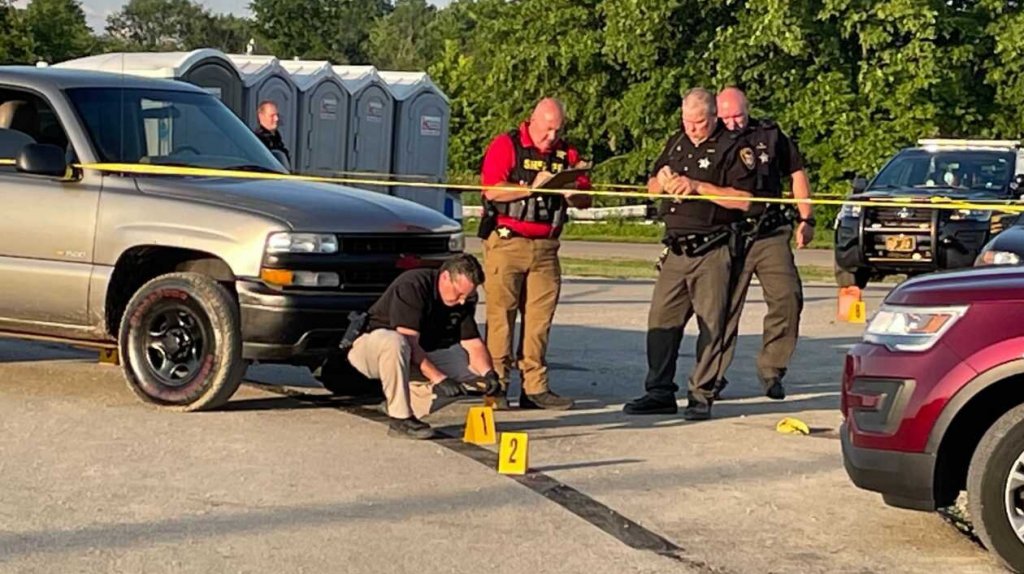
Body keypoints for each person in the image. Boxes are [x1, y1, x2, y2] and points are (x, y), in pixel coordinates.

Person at [622, 88, 756, 421]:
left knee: (711, 325)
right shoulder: (677, 141)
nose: (692, 128)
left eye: (699, 122)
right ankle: (658, 391)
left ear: (714, 117)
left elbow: (744, 200)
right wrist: (662, 182)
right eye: (687, 121)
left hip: (712, 248)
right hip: (676, 248)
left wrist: (698, 187)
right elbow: (650, 186)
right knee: (661, 321)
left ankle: (701, 393)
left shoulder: (734, 147)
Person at [478, 97, 592, 411]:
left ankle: (535, 387)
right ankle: (496, 385)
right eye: (546, 129)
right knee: (501, 316)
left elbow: (587, 199)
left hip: (546, 248)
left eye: (557, 130)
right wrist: (531, 188)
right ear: (532, 120)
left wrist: (575, 194)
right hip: (507, 242)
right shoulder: (507, 145)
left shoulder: (566, 153)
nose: (551, 137)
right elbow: (492, 189)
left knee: (539, 321)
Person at [711, 86, 813, 400]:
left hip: (769, 231)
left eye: (737, 115)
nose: (732, 122)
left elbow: (796, 172)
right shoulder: (709, 138)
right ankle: (711, 377)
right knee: (722, 308)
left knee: (787, 298)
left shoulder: (769, 135)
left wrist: (806, 218)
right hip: (728, 234)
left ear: (748, 108)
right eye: (725, 116)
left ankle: (772, 370)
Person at [345, 254, 502, 439]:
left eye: (467, 296)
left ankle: (402, 403)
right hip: (370, 350)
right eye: (459, 293)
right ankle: (400, 420)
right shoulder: (413, 285)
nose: (461, 301)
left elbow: (473, 343)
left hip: (415, 354)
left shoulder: (464, 300)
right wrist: (440, 378)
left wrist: (489, 374)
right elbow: (409, 341)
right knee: (395, 341)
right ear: (445, 277)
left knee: (470, 366)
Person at [253, 100, 290, 167]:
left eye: (277, 115)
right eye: (272, 115)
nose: (276, 119)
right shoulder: (257, 141)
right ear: (261, 116)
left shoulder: (277, 139)